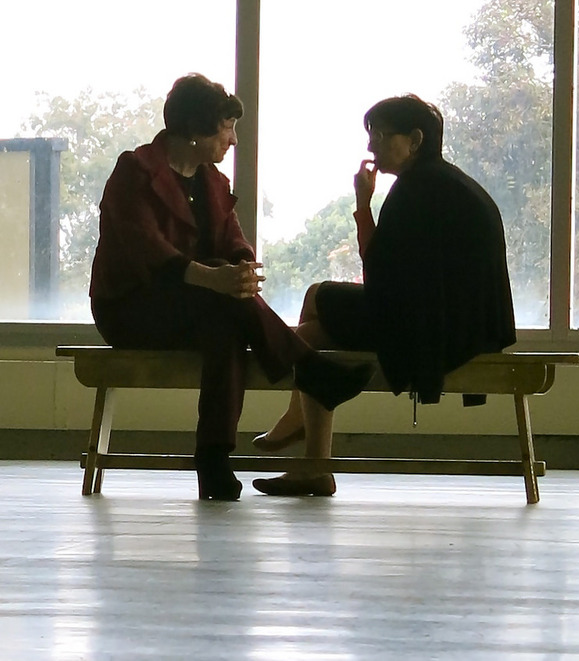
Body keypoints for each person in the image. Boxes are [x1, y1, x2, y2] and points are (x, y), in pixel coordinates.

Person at [89, 74, 373, 501]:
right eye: (227, 128)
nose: (234, 140)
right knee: (221, 299)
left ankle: (215, 463)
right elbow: (145, 250)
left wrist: (240, 268)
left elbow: (233, 241)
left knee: (224, 319)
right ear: (196, 129)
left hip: (202, 307)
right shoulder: (136, 171)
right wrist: (216, 277)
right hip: (131, 308)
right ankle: (307, 371)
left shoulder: (211, 182)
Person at [251, 94, 516, 497]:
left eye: (379, 134)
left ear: (414, 139)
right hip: (464, 325)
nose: (371, 146)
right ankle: (312, 463)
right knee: (310, 337)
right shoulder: (446, 182)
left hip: (438, 331)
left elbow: (378, 275)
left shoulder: (415, 191)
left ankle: (303, 438)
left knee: (315, 306)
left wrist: (362, 203)